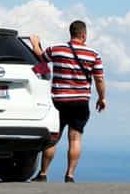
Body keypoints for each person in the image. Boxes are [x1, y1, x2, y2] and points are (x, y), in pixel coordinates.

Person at [27, 20, 105, 182]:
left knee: (54, 138)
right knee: (75, 138)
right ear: (84, 35)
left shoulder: (57, 49)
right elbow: (99, 79)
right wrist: (101, 98)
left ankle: (43, 173)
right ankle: (69, 175)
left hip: (58, 101)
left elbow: (41, 59)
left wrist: (35, 43)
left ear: (71, 33)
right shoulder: (93, 54)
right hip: (80, 102)